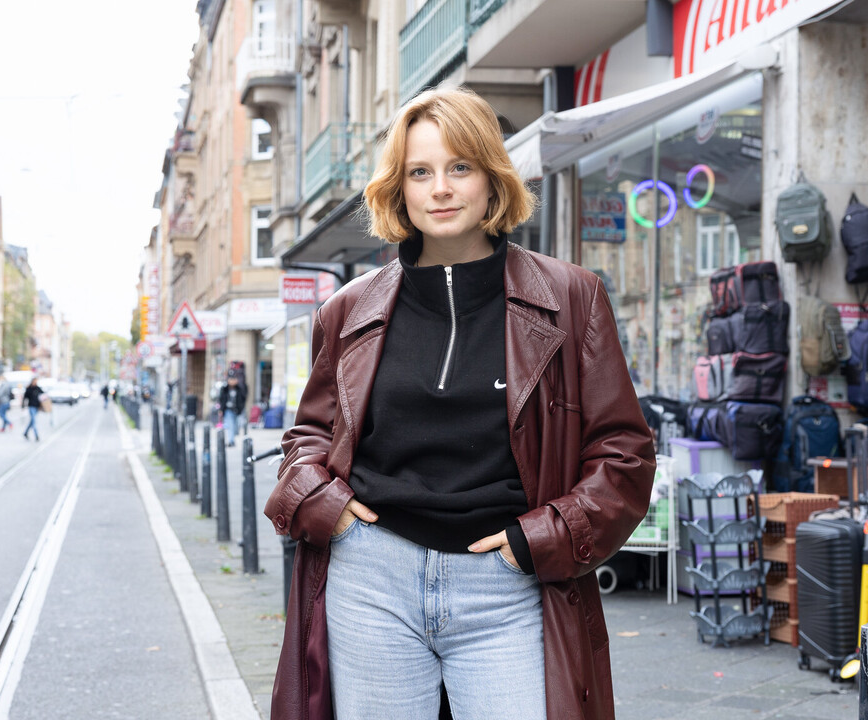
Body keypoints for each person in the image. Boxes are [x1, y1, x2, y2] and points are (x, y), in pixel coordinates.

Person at [263, 87, 655, 720]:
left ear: (491, 179)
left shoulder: (571, 295)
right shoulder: (347, 309)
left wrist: (542, 539)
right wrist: (325, 506)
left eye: (459, 168)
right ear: (399, 188)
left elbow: (624, 453)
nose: (439, 188)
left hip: (507, 584)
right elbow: (310, 435)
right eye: (420, 172)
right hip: (372, 578)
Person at [218, 369, 247, 446]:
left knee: (236, 427)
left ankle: (232, 438)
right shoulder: (224, 389)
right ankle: (231, 441)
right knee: (230, 425)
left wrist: (241, 408)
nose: (232, 381)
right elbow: (221, 400)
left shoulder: (240, 389)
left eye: (234, 379)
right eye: (230, 379)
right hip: (228, 410)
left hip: (237, 410)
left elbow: (243, 399)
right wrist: (221, 409)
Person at [22, 377, 43, 441]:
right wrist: (22, 405)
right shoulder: (29, 389)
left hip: (37, 407)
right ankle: (36, 436)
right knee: (34, 421)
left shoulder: (38, 388)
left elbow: (43, 395)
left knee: (32, 421)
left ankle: (25, 433)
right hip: (31, 407)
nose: (35, 382)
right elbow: (25, 397)